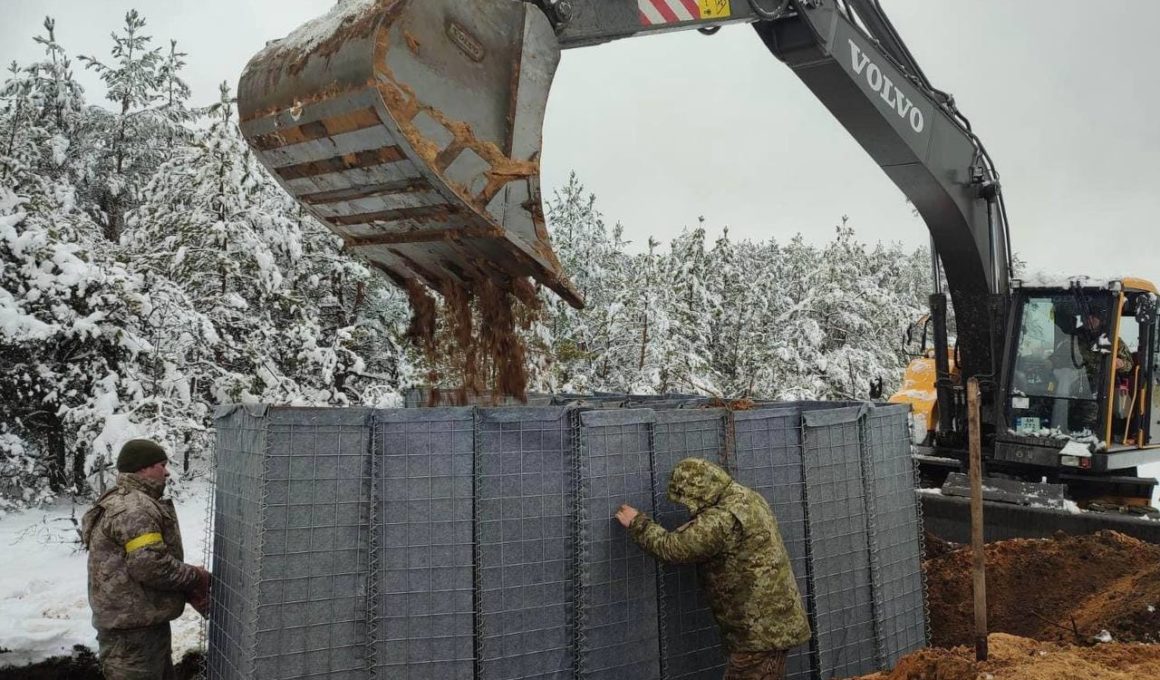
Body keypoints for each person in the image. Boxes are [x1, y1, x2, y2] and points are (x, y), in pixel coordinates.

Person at [616, 458, 811, 680]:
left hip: (759, 631)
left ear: (699, 492)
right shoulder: (747, 498)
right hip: (771, 624)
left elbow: (672, 549)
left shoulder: (722, 517)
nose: (687, 506)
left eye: (686, 499)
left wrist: (637, 523)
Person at [81, 439, 210, 679]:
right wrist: (196, 577)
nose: (167, 472)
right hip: (132, 634)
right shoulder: (134, 508)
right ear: (143, 468)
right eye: (162, 464)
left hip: (141, 625)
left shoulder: (121, 499)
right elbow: (150, 566)